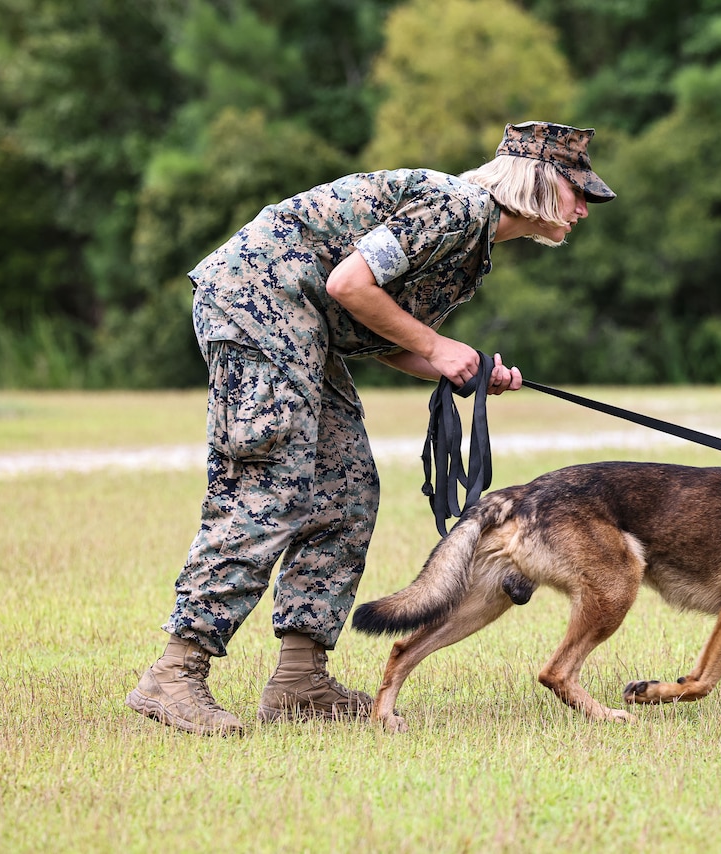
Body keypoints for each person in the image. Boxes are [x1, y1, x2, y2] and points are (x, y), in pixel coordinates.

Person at [126, 121, 616, 735]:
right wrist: (439, 347)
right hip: (259, 301)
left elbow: (382, 337)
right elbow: (347, 284)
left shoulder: (472, 246)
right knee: (271, 486)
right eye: (579, 193)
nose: (583, 211)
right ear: (541, 183)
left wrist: (471, 369)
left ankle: (300, 681)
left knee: (348, 490)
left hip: (307, 327)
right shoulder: (455, 206)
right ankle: (175, 673)